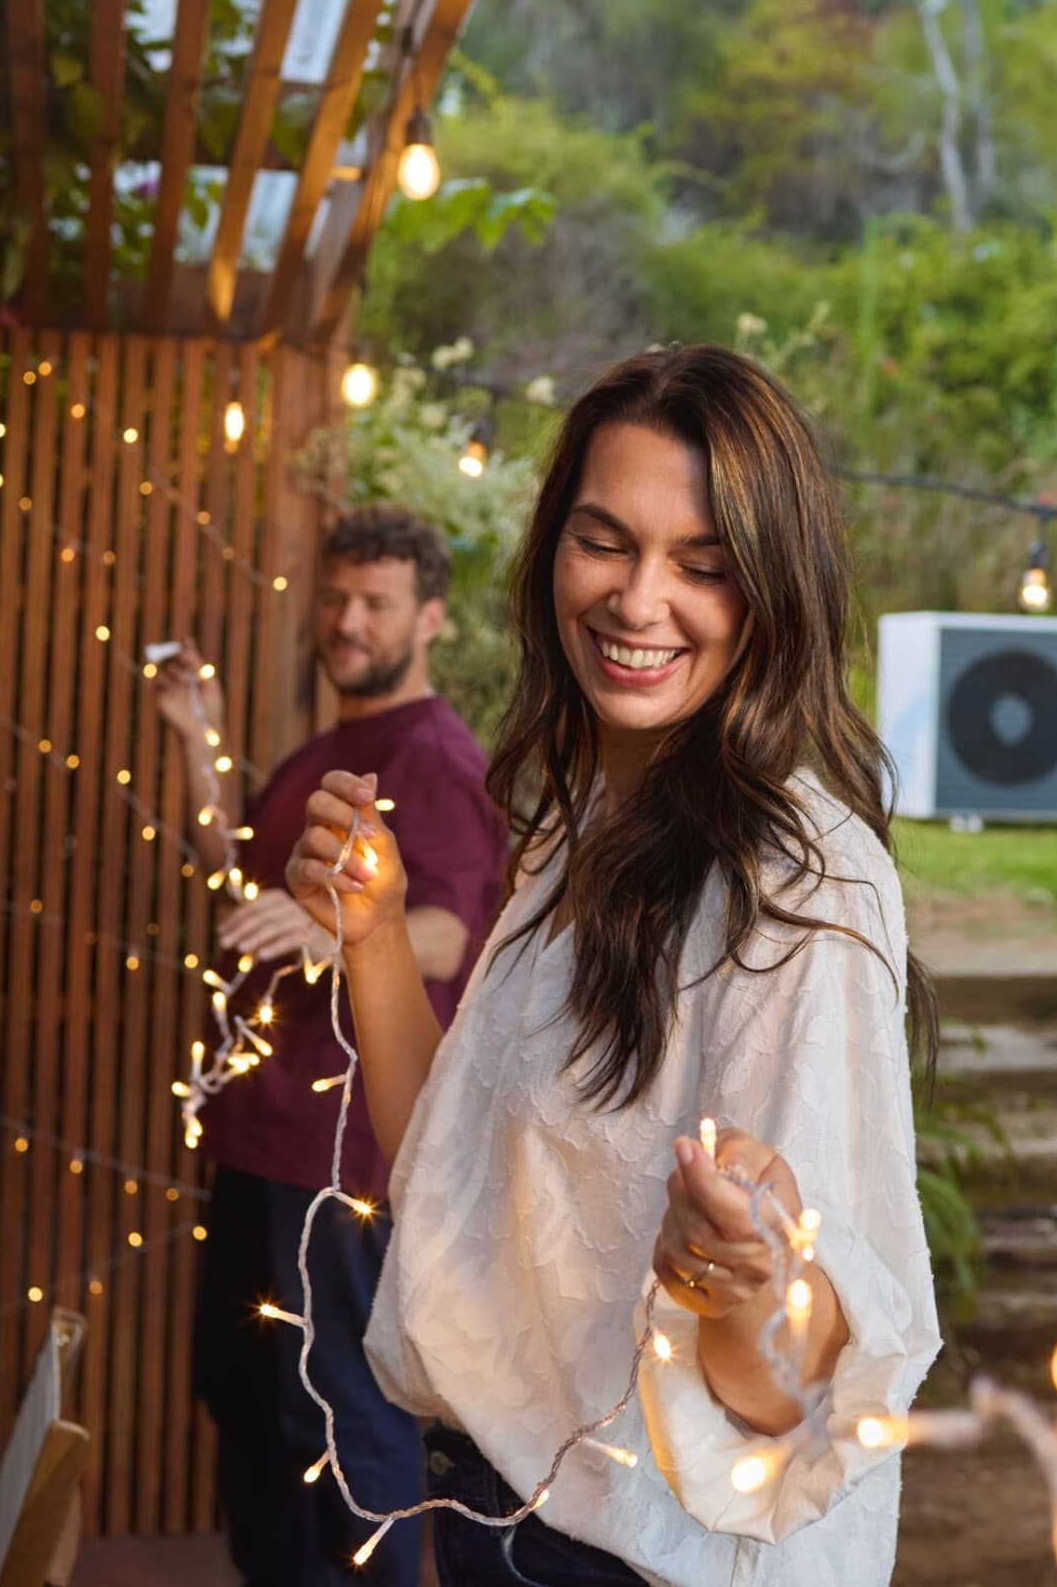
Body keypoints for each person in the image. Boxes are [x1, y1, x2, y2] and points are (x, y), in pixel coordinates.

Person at [285, 346, 941, 1587]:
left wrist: (741, 1282)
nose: (640, 602)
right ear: (550, 560)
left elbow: (789, 1406)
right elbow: (445, 1182)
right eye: (606, 542)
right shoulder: (578, 825)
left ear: (773, 594)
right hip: (491, 1500)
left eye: (703, 567)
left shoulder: (802, 883)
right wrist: (374, 936)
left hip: (637, 1558)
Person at [153, 505, 508, 1587]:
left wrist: (328, 926)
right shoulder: (324, 752)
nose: (350, 621)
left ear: (431, 618)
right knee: (251, 1417)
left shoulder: (434, 758)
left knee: (344, 1443)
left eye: (378, 603)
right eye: (339, 597)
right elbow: (236, 881)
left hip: (340, 1166)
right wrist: (192, 740)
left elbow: (451, 926)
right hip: (261, 1146)